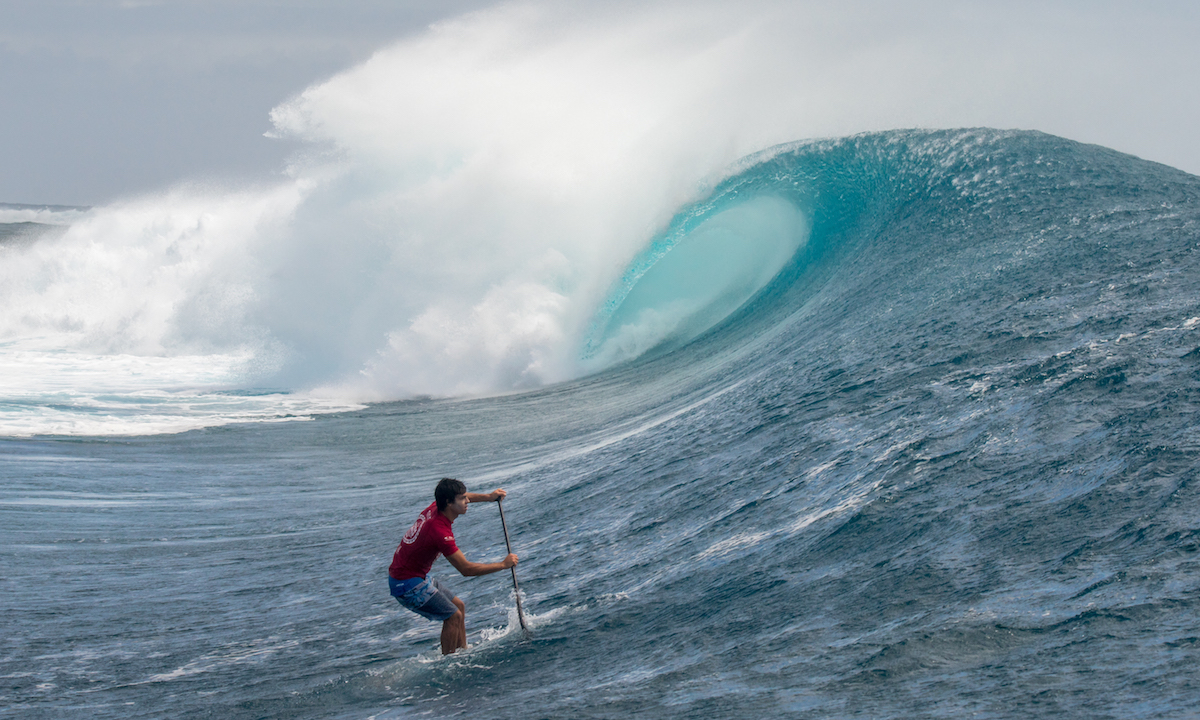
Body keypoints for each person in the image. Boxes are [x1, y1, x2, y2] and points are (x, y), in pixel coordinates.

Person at [388, 478, 518, 655]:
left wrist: (489, 497)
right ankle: (448, 662)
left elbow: (464, 496)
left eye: (466, 497)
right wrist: (503, 565)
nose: (467, 501)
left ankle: (463, 651)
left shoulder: (437, 506)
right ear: (449, 503)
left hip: (414, 576)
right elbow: (466, 569)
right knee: (453, 616)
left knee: (459, 606)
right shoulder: (440, 532)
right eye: (462, 499)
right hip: (406, 584)